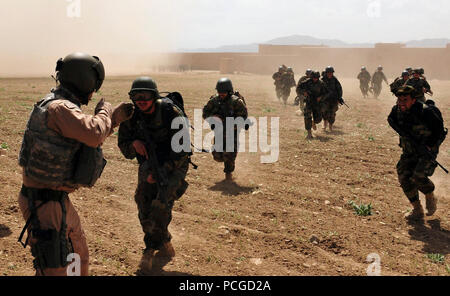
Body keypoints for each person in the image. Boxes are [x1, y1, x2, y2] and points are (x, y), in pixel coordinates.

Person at [17, 52, 134, 276]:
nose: (93, 92)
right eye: (94, 86)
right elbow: (93, 132)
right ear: (85, 82)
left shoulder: (60, 107)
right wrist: (106, 111)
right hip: (44, 204)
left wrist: (115, 120)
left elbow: (85, 138)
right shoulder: (59, 108)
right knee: (57, 270)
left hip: (56, 201)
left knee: (78, 260)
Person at [118, 77, 190, 273]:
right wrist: (133, 145)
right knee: (143, 202)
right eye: (136, 96)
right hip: (150, 163)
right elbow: (123, 146)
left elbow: (183, 151)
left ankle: (149, 250)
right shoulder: (132, 117)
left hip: (175, 163)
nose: (141, 100)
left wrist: (161, 174)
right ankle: (164, 241)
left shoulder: (171, 114)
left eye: (145, 96)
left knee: (160, 205)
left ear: (155, 96)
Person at [387, 86, 447, 221]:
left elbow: (439, 131)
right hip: (409, 150)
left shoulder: (426, 112)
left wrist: (430, 145)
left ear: (414, 100)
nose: (401, 103)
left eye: (405, 100)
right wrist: (403, 133)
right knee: (403, 176)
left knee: (418, 176)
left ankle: (430, 195)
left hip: (426, 151)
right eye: (399, 100)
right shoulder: (396, 110)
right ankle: (417, 209)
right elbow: (391, 120)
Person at [202, 78, 248, 180]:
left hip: (232, 132)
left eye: (223, 92)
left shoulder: (237, 102)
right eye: (219, 92)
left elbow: (243, 117)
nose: (221, 94)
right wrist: (213, 118)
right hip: (219, 132)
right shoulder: (214, 100)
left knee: (229, 154)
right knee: (217, 156)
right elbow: (205, 113)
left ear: (229, 91)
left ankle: (228, 173)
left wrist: (230, 125)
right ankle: (226, 161)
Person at [297, 71, 328, 139]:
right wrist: (304, 92)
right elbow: (298, 88)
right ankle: (309, 133)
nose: (315, 79)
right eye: (313, 78)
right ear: (311, 77)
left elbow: (326, 93)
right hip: (309, 102)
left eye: (316, 78)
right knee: (307, 116)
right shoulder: (307, 82)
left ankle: (314, 122)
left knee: (318, 119)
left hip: (317, 103)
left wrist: (321, 97)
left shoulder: (321, 84)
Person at [321, 66, 343, 131]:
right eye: (328, 73)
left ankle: (330, 125)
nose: (330, 74)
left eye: (331, 73)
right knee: (324, 111)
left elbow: (339, 89)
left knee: (332, 113)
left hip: (333, 99)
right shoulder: (322, 80)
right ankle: (325, 123)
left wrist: (340, 97)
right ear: (326, 73)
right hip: (325, 99)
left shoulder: (335, 79)